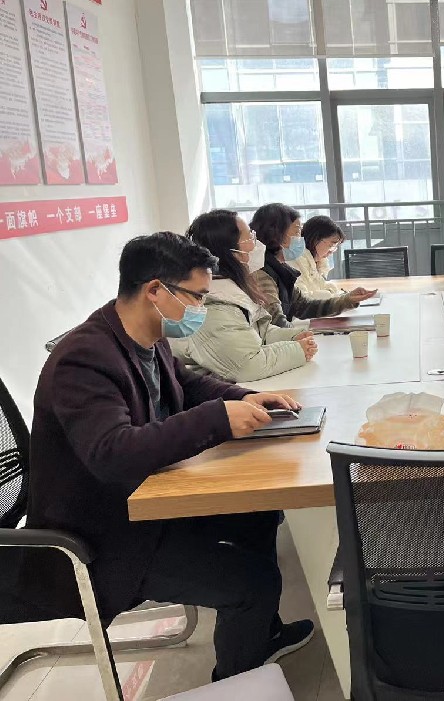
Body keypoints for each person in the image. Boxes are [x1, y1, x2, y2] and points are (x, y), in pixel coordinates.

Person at [26, 232, 315, 682]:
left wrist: (245, 397)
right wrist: (217, 419)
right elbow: (113, 454)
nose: (201, 307)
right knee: (253, 582)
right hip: (104, 536)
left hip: (144, 504)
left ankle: (258, 633)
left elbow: (188, 385)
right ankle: (235, 682)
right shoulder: (83, 360)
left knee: (259, 513)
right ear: (155, 291)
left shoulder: (146, 334)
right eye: (197, 296)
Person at [170, 210, 319, 382]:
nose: (256, 244)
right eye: (250, 238)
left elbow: (257, 332)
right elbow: (248, 365)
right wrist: (298, 350)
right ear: (231, 251)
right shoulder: (213, 305)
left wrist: (292, 337)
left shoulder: (232, 289)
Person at [249, 203, 375, 328]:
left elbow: (304, 306)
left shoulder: (281, 269)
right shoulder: (262, 273)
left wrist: (348, 299)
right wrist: (305, 335)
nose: (301, 238)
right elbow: (277, 324)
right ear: (277, 234)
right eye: (297, 231)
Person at [288, 215, 353, 302]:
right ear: (315, 239)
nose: (331, 252)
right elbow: (301, 300)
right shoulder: (294, 261)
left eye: (335, 248)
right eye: (331, 246)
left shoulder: (317, 263)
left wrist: (336, 294)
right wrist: (333, 296)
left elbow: (319, 287)